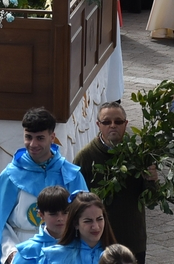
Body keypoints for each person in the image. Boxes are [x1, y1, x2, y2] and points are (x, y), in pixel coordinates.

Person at [0, 108, 88, 264]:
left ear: (52, 137)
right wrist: (11, 252)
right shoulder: (10, 177)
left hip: (64, 252)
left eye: (40, 138)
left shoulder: (71, 175)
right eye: (28, 137)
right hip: (22, 252)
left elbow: (84, 218)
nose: (33, 144)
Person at [73, 104, 147, 262]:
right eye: (106, 122)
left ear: (125, 124)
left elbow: (150, 198)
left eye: (118, 121)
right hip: (98, 242)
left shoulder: (138, 154)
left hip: (132, 240)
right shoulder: (85, 157)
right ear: (98, 125)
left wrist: (152, 180)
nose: (113, 125)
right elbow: (76, 202)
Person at [38, 192, 116, 264]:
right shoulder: (52, 256)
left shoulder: (118, 256)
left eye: (99, 219)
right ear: (75, 223)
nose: (95, 226)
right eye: (88, 221)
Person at [7, 186, 69, 264]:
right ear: (41, 215)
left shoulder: (81, 246)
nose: (60, 218)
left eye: (65, 213)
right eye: (53, 214)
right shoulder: (27, 251)